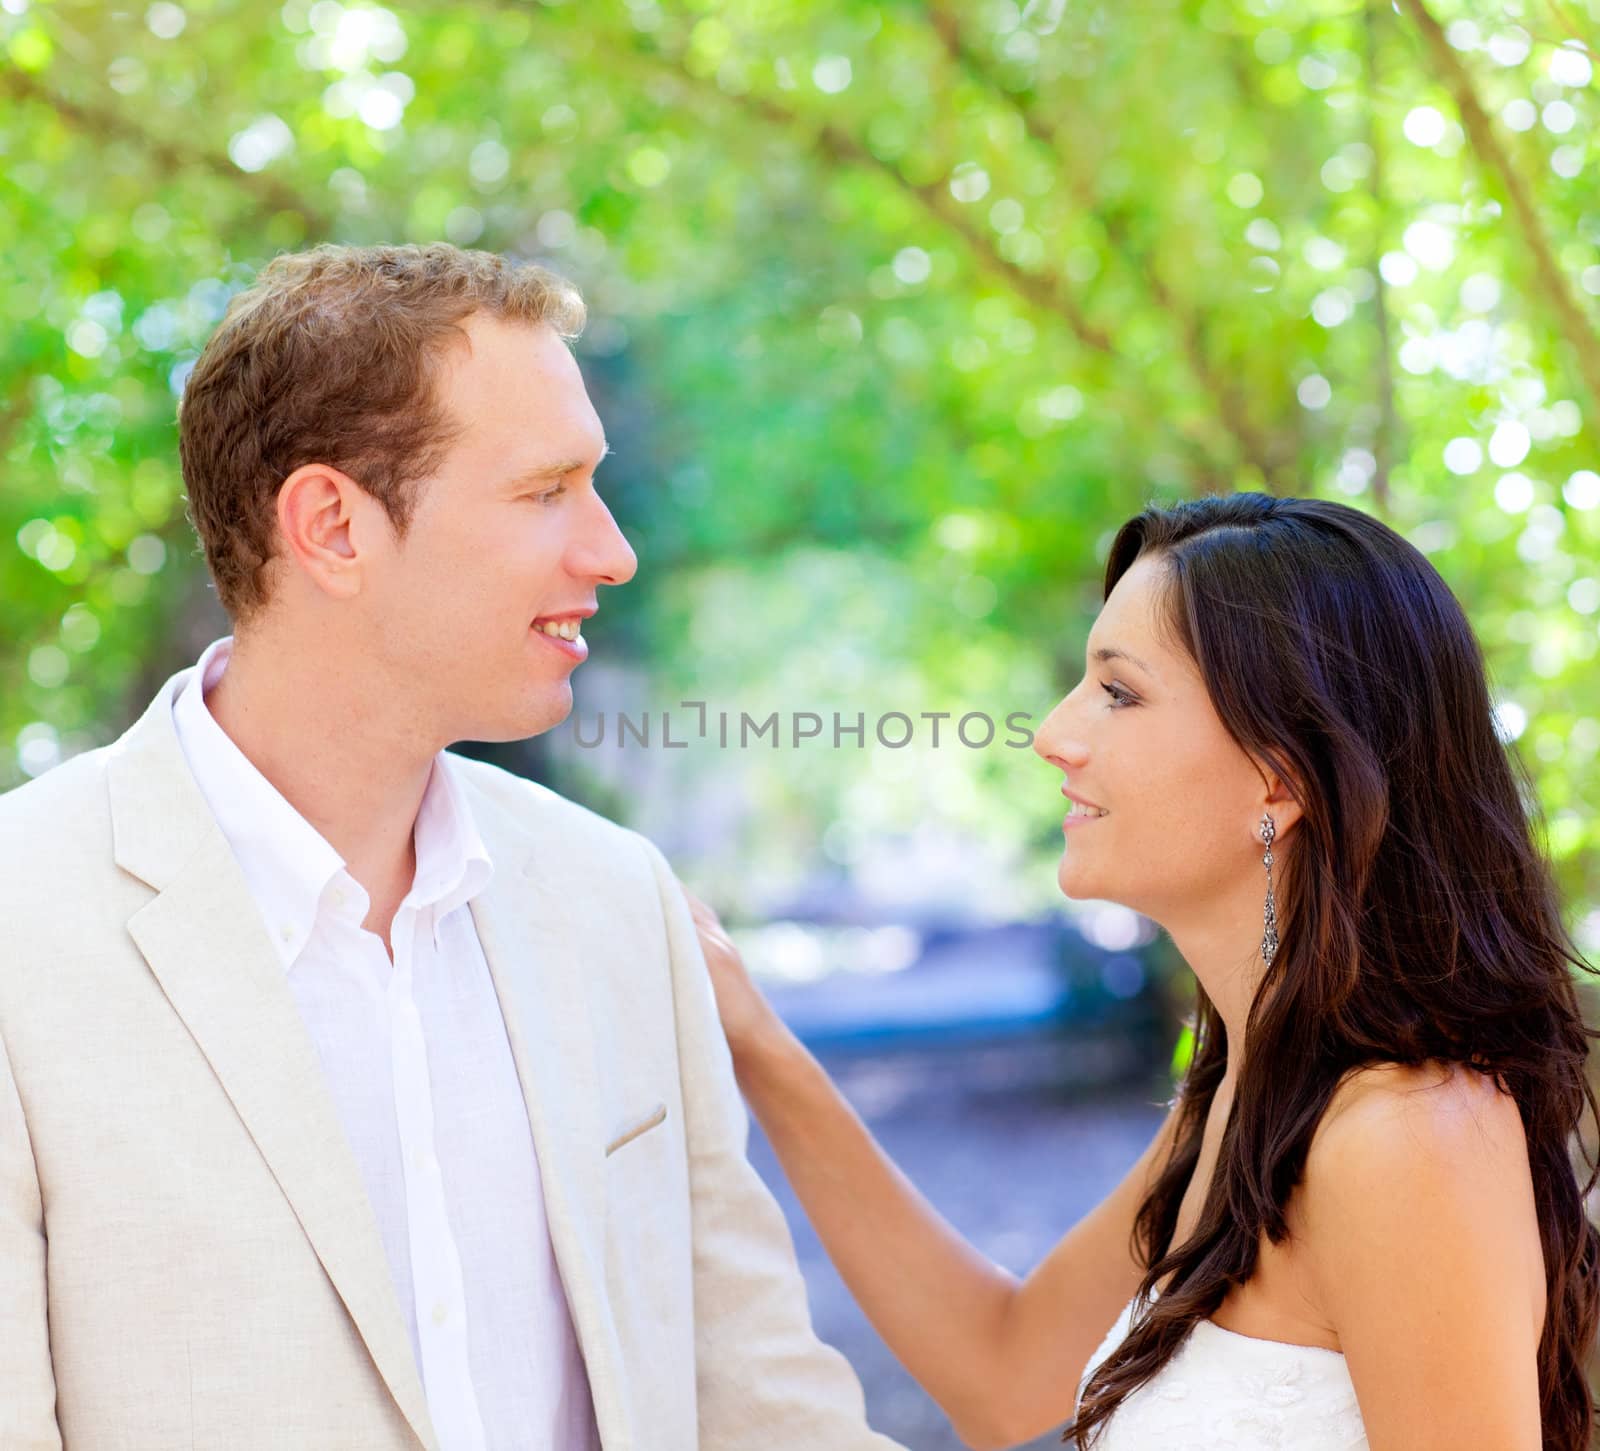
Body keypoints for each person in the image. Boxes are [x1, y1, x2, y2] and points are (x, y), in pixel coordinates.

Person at [0, 243, 905, 1451]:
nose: (611, 550)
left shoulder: (619, 899)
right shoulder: (24, 924)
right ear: (331, 525)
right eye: (546, 492)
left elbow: (761, 1404)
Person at [689, 492, 1600, 1451]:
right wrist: (759, 1042)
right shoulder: (1259, 1093)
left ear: (1280, 777)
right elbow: (1002, 1372)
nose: (1052, 733)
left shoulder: (1408, 1134)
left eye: (1118, 692)